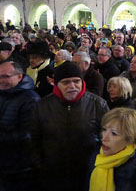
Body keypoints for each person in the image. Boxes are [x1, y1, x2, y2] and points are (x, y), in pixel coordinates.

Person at [30, 61, 109, 191]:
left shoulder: (97, 104)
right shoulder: (42, 106)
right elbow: (34, 139)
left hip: (87, 173)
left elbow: (107, 138)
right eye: (66, 82)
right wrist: (41, 165)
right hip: (52, 174)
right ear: (56, 84)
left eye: (76, 81)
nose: (72, 86)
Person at [89, 108, 136, 191]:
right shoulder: (97, 156)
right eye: (104, 129)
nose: (104, 138)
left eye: (114, 133)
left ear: (131, 139)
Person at [0, 61, 40, 191]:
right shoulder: (3, 93)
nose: (1, 80)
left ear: (19, 76)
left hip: (18, 167)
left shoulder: (30, 99)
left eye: (6, 76)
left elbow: (30, 135)